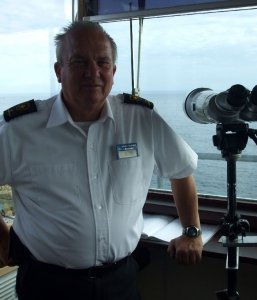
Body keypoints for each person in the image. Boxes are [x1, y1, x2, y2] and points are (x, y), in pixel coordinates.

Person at [0, 21, 203, 300]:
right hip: (47, 284)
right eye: (79, 61)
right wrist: (4, 243)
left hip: (120, 281)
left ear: (113, 71)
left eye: (102, 62)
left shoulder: (141, 120)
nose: (92, 72)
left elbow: (181, 170)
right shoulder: (19, 130)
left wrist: (191, 231)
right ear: (59, 71)